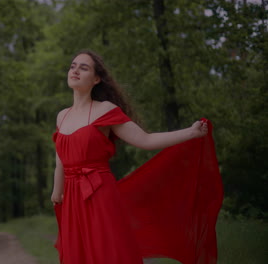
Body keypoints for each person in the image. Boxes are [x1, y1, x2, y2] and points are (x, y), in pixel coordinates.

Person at [51, 50, 223, 264]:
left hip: (98, 193)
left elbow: (146, 140)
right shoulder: (62, 115)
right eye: (73, 66)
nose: (75, 70)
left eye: (83, 67)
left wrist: (191, 132)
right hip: (73, 198)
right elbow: (60, 158)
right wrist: (57, 191)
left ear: (96, 79)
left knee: (109, 254)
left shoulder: (105, 110)